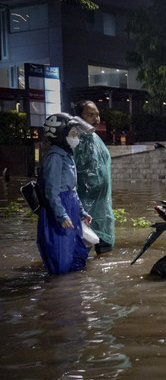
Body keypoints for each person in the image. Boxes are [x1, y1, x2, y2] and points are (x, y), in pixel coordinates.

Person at [37, 113, 94, 275]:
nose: (76, 138)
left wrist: (82, 212)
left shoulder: (67, 156)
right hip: (60, 210)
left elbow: (72, 189)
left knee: (76, 251)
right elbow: (51, 192)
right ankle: (59, 292)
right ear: (60, 136)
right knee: (61, 255)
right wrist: (62, 216)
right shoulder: (55, 158)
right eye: (73, 134)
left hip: (71, 205)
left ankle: (73, 291)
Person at [73, 100, 115, 255]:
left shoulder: (96, 138)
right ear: (79, 117)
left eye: (97, 115)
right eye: (90, 115)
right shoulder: (75, 140)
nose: (96, 119)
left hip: (103, 206)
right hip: (85, 207)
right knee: (81, 250)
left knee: (105, 251)